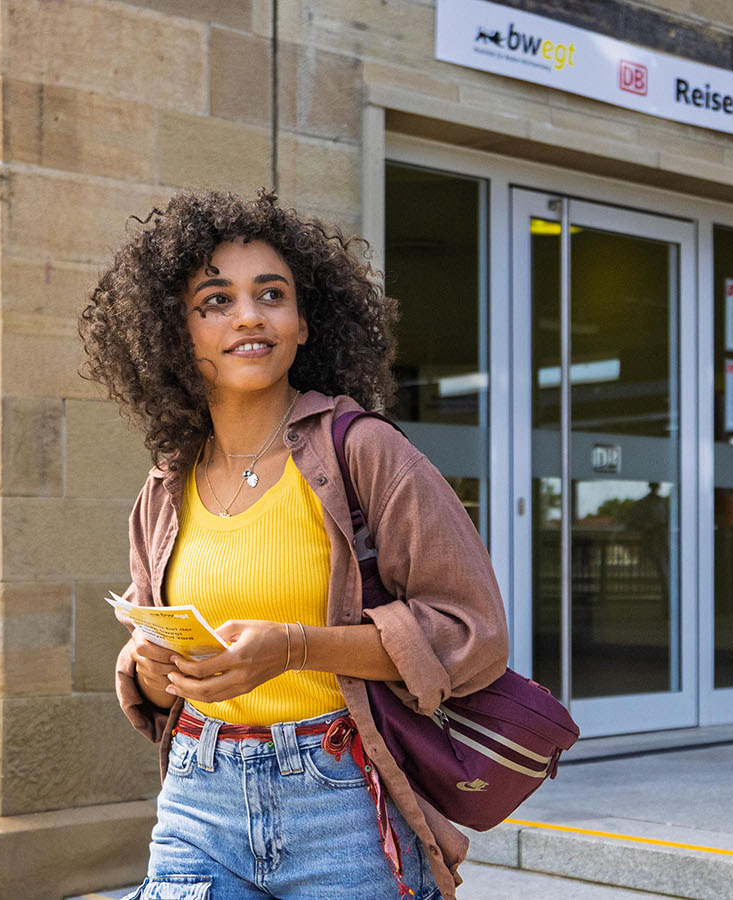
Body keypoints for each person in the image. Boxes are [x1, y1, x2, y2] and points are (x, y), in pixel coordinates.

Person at [79, 190, 510, 899]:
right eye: (215, 301)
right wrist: (157, 671)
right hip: (197, 798)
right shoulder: (165, 484)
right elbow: (157, 677)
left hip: (342, 798)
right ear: (174, 333)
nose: (248, 315)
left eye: (271, 294)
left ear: (304, 323)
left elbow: (473, 632)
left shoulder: (364, 452)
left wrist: (292, 648)